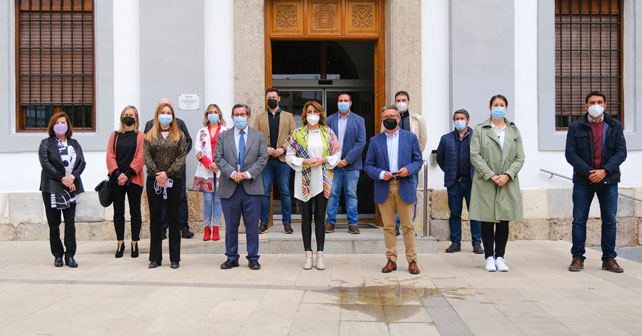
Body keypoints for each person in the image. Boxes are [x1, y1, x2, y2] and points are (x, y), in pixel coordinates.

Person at [565, 91, 627, 273]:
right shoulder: (576, 127)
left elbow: (621, 152)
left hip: (608, 180)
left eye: (599, 102)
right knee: (579, 220)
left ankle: (609, 259)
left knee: (609, 220)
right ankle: (577, 258)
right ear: (586, 106)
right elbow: (570, 154)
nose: (596, 105)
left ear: (605, 105)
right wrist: (589, 172)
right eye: (592, 102)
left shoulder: (615, 125)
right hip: (583, 180)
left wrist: (605, 171)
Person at [364, 105, 423, 275]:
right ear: (382, 120)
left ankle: (412, 261)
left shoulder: (410, 138)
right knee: (389, 227)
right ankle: (391, 259)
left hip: (404, 184)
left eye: (392, 115)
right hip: (384, 186)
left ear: (398, 118)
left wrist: (409, 169)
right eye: (385, 117)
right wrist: (382, 174)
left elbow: (418, 161)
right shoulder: (375, 141)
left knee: (408, 226)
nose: (389, 119)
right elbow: (368, 165)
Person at [469, 94, 525, 272]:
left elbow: (520, 156)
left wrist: (507, 175)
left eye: (502, 105)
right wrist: (492, 175)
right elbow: (474, 155)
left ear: (506, 108)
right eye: (495, 104)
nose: (499, 107)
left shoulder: (513, 130)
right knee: (487, 220)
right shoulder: (480, 129)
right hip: (487, 181)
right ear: (490, 108)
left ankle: (500, 256)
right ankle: (489, 257)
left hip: (507, 181)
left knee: (503, 221)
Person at [286, 101, 341, 270]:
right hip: (304, 179)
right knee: (305, 219)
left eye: (315, 111)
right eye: (309, 111)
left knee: (320, 219)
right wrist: (305, 161)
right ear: (305, 114)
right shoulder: (297, 134)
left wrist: (324, 160)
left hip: (323, 179)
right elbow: (289, 156)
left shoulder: (328, 133)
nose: (312, 114)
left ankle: (320, 255)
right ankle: (307, 254)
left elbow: (337, 154)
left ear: (320, 114)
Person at [215, 104, 268, 270]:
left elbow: (262, 158)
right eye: (236, 114)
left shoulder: (258, 136)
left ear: (248, 116)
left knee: (252, 226)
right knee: (231, 226)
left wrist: (247, 174)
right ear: (232, 117)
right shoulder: (223, 136)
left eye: (242, 114)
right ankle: (231, 257)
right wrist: (232, 173)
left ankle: (253, 258)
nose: (239, 117)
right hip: (230, 186)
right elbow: (219, 157)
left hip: (251, 187)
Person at [38, 112, 86, 268]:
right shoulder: (45, 143)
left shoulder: (74, 143)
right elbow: (46, 165)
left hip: (71, 187)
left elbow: (82, 163)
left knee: (70, 223)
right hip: (52, 188)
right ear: (53, 126)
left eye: (63, 122)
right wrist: (63, 178)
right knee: (54, 223)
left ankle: (70, 255)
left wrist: (72, 177)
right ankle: (57, 255)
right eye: (57, 122)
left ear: (68, 126)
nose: (60, 125)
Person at [143, 103, 187, 269]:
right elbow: (146, 157)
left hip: (173, 180)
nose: (166, 115)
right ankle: (155, 258)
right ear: (157, 115)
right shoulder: (150, 135)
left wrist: (167, 174)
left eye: (169, 113)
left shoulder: (179, 135)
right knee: (155, 219)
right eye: (163, 112)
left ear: (173, 116)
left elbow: (181, 156)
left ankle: (175, 258)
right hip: (154, 180)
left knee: (173, 218)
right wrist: (158, 174)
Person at [144, 98, 194, 239]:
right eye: (162, 109)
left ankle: (183, 227)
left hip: (176, 170)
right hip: (157, 172)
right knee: (161, 201)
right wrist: (157, 172)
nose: (165, 113)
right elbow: (146, 148)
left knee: (181, 197)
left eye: (168, 110)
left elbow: (187, 141)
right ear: (157, 110)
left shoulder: (180, 123)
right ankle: (162, 228)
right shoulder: (149, 125)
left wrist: (180, 157)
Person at [436, 109, 483, 254]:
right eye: (456, 118)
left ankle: (476, 243)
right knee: (454, 214)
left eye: (462, 118)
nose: (459, 121)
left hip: (472, 182)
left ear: (468, 120)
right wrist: (449, 171)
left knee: (474, 213)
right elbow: (440, 158)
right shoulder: (446, 139)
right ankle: (455, 243)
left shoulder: (477, 137)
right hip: (454, 182)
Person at [254, 88, 296, 234]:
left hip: (283, 160)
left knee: (285, 192)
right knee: (265, 192)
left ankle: (287, 223)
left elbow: (293, 136)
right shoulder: (260, 117)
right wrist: (265, 148)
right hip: (266, 161)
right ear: (266, 99)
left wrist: (283, 148)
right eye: (269, 97)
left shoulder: (288, 116)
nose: (271, 99)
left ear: (279, 99)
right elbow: (255, 137)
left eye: (274, 97)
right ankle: (264, 222)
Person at [106, 106, 145, 258]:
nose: (129, 117)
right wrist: (118, 174)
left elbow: (141, 157)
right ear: (122, 117)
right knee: (118, 213)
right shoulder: (114, 135)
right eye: (126, 114)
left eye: (132, 115)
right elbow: (110, 155)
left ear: (136, 118)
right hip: (117, 180)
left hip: (134, 179)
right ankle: (120, 242)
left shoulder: (141, 136)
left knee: (135, 212)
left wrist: (127, 174)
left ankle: (135, 242)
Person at [324, 92, 366, 234]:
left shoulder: (359, 120)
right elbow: (325, 142)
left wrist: (347, 160)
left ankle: (353, 224)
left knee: (351, 194)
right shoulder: (329, 120)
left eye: (345, 100)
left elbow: (361, 143)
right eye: (340, 100)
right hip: (333, 165)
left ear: (350, 103)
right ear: (337, 103)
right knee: (333, 194)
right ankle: (330, 222)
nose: (343, 102)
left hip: (352, 165)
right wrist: (335, 160)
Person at [389, 91, 427, 236]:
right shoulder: (389, 119)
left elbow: (422, 139)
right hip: (393, 164)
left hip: (411, 165)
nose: (401, 102)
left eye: (403, 100)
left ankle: (408, 225)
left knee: (411, 195)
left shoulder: (417, 119)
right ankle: (396, 226)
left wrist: (415, 159)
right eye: (398, 100)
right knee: (393, 195)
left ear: (409, 102)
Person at [193, 104, 228, 241]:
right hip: (206, 169)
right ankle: (206, 228)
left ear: (219, 115)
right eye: (210, 112)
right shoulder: (201, 131)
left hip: (220, 169)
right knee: (207, 200)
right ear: (207, 115)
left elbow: (229, 149)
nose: (213, 114)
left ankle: (216, 228)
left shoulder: (225, 131)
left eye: (215, 112)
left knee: (218, 200)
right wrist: (209, 163)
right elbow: (198, 150)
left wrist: (218, 164)